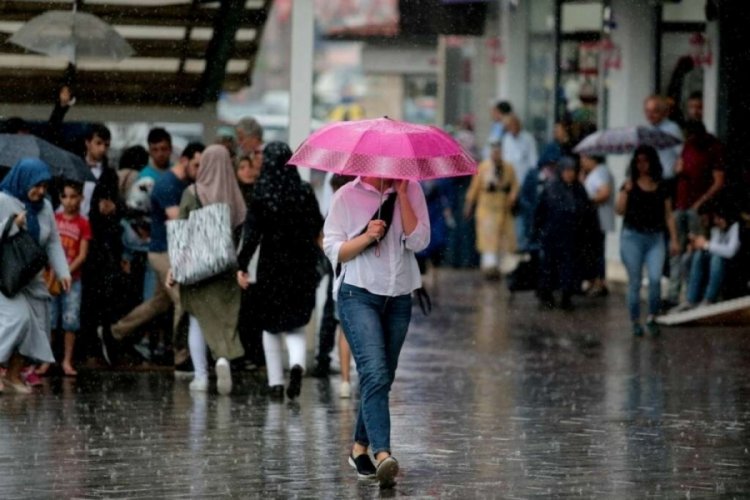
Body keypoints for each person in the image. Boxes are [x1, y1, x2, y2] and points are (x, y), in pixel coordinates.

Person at [323, 171, 430, 488]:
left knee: (382, 375)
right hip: (358, 294)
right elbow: (334, 250)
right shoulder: (346, 196)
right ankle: (383, 454)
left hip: (398, 297)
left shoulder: (412, 190)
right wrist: (368, 236)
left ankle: (359, 449)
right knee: (374, 371)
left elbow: (420, 241)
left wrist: (404, 195)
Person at [237, 142, 323, 400]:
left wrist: (241, 265)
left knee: (270, 326)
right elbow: (317, 225)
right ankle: (296, 364)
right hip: (302, 266)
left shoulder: (262, 193)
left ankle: (275, 383)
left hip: (272, 268)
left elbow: (251, 234)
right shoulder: (304, 191)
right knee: (295, 325)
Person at [111, 143, 204, 370]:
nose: (199, 170)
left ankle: (117, 331)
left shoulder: (183, 184)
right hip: (163, 252)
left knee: (158, 303)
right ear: (183, 160)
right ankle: (181, 356)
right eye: (196, 164)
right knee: (184, 300)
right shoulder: (167, 185)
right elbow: (178, 221)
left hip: (172, 251)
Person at [172, 145, 246, 394]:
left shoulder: (192, 193)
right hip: (226, 267)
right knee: (224, 320)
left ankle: (201, 376)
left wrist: (176, 267)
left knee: (197, 318)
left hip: (198, 266)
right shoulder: (234, 195)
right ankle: (223, 359)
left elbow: (181, 231)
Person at [0, 158, 71, 394]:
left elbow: (52, 241)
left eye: (44, 186)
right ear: (23, 180)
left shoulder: (45, 206)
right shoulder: (3, 200)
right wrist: (12, 225)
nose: (40, 191)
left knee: (37, 328)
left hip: (31, 277)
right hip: (6, 278)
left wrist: (62, 271)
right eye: (35, 185)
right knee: (18, 320)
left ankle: (13, 374)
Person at [616, 145, 679, 337]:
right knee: (634, 281)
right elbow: (619, 211)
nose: (642, 165)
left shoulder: (662, 186)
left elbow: (668, 215)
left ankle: (652, 316)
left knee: (654, 279)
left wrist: (674, 239)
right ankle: (635, 320)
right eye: (638, 161)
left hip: (655, 237)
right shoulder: (630, 184)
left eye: (646, 160)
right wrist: (625, 191)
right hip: (632, 237)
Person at [667, 120, 724, 305]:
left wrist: (701, 203)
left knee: (696, 251)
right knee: (677, 250)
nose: (688, 140)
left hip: (698, 208)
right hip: (681, 204)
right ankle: (674, 295)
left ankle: (693, 294)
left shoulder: (713, 148)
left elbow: (718, 181)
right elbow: (680, 170)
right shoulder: (687, 147)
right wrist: (678, 170)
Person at [79, 123, 122, 366]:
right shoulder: (74, 168)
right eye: (98, 143)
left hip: (96, 241)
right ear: (87, 142)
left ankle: (93, 346)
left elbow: (115, 206)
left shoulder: (109, 174)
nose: (102, 149)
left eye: (106, 145)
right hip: (74, 235)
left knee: (95, 296)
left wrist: (110, 209)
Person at [533, 157, 597, 310]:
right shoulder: (551, 188)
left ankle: (566, 296)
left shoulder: (578, 190)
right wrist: (538, 232)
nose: (569, 174)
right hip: (552, 236)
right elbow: (540, 213)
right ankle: (546, 296)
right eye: (567, 170)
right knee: (548, 267)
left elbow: (587, 212)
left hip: (572, 236)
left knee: (569, 267)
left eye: (572, 171)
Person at [45, 180, 91, 376]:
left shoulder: (83, 223)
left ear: (81, 198)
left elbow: (82, 255)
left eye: (74, 196)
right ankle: (46, 360)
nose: (69, 201)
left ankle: (67, 360)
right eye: (65, 196)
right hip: (53, 276)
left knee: (70, 320)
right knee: (50, 320)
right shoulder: (54, 219)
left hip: (73, 279)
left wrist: (67, 271)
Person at [464, 141, 519, 280]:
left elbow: (515, 186)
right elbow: (474, 189)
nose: (496, 154)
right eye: (494, 151)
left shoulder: (509, 168)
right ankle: (489, 269)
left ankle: (502, 269)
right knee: (488, 240)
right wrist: (469, 206)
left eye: (498, 151)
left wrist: (512, 198)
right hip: (486, 209)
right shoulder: (483, 167)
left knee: (504, 240)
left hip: (503, 208)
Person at [674, 202, 740, 310]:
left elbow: (730, 251)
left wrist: (706, 244)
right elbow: (712, 247)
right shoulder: (715, 229)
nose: (717, 221)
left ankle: (709, 299)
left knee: (716, 258)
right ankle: (691, 299)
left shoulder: (736, 227)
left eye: (720, 218)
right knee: (698, 256)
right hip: (715, 264)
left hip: (731, 265)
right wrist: (698, 245)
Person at [234, 153, 265, 370]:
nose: (246, 171)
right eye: (241, 167)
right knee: (241, 309)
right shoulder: (232, 196)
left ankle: (254, 354)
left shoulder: (261, 195)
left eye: (249, 166)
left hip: (256, 259)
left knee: (253, 309)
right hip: (238, 257)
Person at [501, 114, 539, 252]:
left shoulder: (527, 139)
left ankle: (523, 243)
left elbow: (533, 162)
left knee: (524, 213)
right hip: (510, 183)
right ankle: (513, 243)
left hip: (524, 183)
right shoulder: (506, 140)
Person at [580, 154, 615, 296]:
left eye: (583, 159)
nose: (581, 162)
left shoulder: (601, 172)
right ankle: (595, 280)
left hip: (598, 220)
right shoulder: (594, 173)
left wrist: (588, 201)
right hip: (593, 221)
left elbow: (604, 192)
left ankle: (599, 282)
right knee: (594, 252)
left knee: (597, 252)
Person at [643, 94, 683, 181]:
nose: (650, 115)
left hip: (667, 179)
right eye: (647, 111)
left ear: (663, 112)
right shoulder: (648, 129)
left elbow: (682, 154)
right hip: (652, 179)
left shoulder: (672, 128)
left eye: (654, 111)